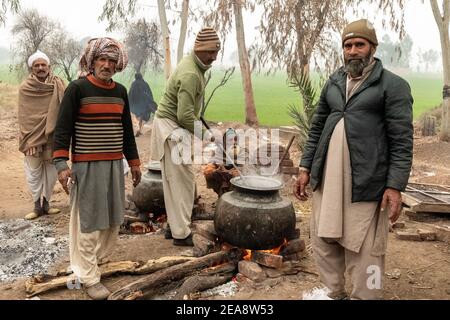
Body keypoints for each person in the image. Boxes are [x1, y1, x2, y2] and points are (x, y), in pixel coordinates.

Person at [293, 19, 413, 300]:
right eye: (348, 45)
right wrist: (305, 167)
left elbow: (402, 142)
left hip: (367, 181)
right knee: (325, 238)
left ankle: (365, 295)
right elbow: (317, 127)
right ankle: (333, 292)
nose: (353, 50)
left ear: (372, 47)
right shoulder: (334, 82)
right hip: (329, 178)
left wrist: (395, 186)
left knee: (366, 245)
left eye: (360, 44)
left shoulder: (393, 86)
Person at [52, 37, 142, 300]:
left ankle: (92, 261)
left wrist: (134, 162)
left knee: (113, 219)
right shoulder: (77, 89)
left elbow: (127, 132)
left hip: (115, 166)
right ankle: (89, 276)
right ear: (92, 62)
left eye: (112, 61)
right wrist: (61, 164)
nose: (107, 64)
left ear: (118, 65)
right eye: (102, 59)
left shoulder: (120, 92)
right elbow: (63, 129)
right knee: (89, 221)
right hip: (87, 167)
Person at [150, 27, 221, 246]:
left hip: (172, 127)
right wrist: (207, 135)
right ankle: (181, 234)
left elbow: (189, 109)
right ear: (199, 49)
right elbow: (183, 115)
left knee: (176, 181)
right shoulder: (191, 73)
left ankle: (174, 226)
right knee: (182, 183)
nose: (214, 57)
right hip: (171, 129)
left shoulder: (194, 65)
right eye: (210, 51)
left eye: (216, 51)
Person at [18, 50, 66, 220]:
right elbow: (24, 117)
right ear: (32, 68)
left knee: (51, 171)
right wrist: (28, 140)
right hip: (32, 139)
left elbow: (65, 110)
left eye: (43, 64)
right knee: (34, 172)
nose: (40, 68)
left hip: (54, 137)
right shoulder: (25, 88)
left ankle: (47, 203)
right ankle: (36, 205)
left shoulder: (59, 84)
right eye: (36, 65)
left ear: (49, 67)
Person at [129, 72, 157, 137]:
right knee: (141, 117)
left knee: (136, 117)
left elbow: (130, 94)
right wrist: (150, 101)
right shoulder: (145, 84)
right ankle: (140, 130)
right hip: (143, 103)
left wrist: (129, 102)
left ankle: (138, 129)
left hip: (135, 104)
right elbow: (149, 93)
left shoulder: (133, 84)